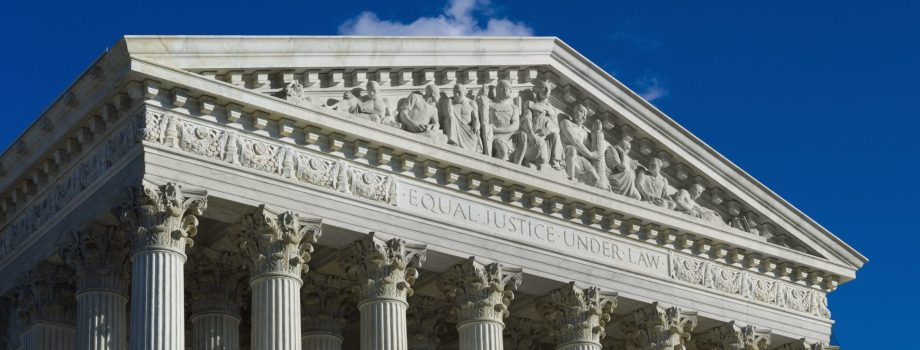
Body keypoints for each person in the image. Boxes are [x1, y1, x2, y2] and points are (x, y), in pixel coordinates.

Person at [515, 78, 564, 171]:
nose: (547, 91)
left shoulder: (551, 109)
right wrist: (531, 135)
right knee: (543, 159)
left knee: (556, 135)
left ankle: (555, 161)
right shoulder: (530, 104)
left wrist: (548, 130)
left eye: (549, 89)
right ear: (537, 90)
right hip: (534, 135)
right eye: (544, 88)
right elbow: (526, 120)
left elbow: (557, 127)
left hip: (547, 136)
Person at [560, 103, 601, 186]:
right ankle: (570, 181)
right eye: (576, 111)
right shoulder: (566, 123)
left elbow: (591, 149)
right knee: (573, 150)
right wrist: (590, 154)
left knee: (596, 178)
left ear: (584, 115)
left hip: (580, 158)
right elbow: (574, 141)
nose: (578, 113)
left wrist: (596, 132)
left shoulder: (584, 133)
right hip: (566, 152)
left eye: (581, 111)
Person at [479, 79, 520, 160]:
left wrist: (497, 130)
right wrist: (483, 95)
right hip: (493, 137)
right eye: (506, 88)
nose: (509, 91)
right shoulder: (490, 105)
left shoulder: (513, 107)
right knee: (503, 151)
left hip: (508, 137)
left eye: (509, 88)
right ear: (498, 89)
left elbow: (515, 126)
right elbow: (483, 117)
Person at [443, 83, 483, 153]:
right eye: (454, 93)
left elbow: (476, 117)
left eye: (459, 92)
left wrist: (477, 127)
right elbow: (449, 116)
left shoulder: (471, 103)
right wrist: (449, 103)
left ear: (465, 92)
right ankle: (453, 141)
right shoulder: (451, 104)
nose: (456, 95)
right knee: (451, 118)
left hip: (468, 131)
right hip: (454, 131)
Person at [604, 134, 642, 200]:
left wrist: (633, 168)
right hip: (615, 180)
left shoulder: (630, 160)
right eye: (627, 148)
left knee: (638, 197)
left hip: (627, 183)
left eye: (629, 149)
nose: (628, 151)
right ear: (621, 147)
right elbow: (622, 169)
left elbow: (633, 177)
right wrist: (622, 154)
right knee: (628, 174)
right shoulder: (612, 150)